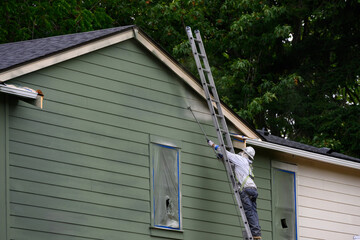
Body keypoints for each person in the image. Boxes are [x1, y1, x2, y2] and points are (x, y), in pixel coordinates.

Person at [207, 139, 262, 239]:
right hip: (253, 190)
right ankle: (256, 233)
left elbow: (226, 153)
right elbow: (233, 166)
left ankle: (255, 235)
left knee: (249, 212)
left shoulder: (240, 159)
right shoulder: (248, 165)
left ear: (245, 154)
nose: (240, 153)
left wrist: (213, 145)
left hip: (246, 190)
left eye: (242, 152)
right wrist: (223, 158)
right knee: (253, 212)